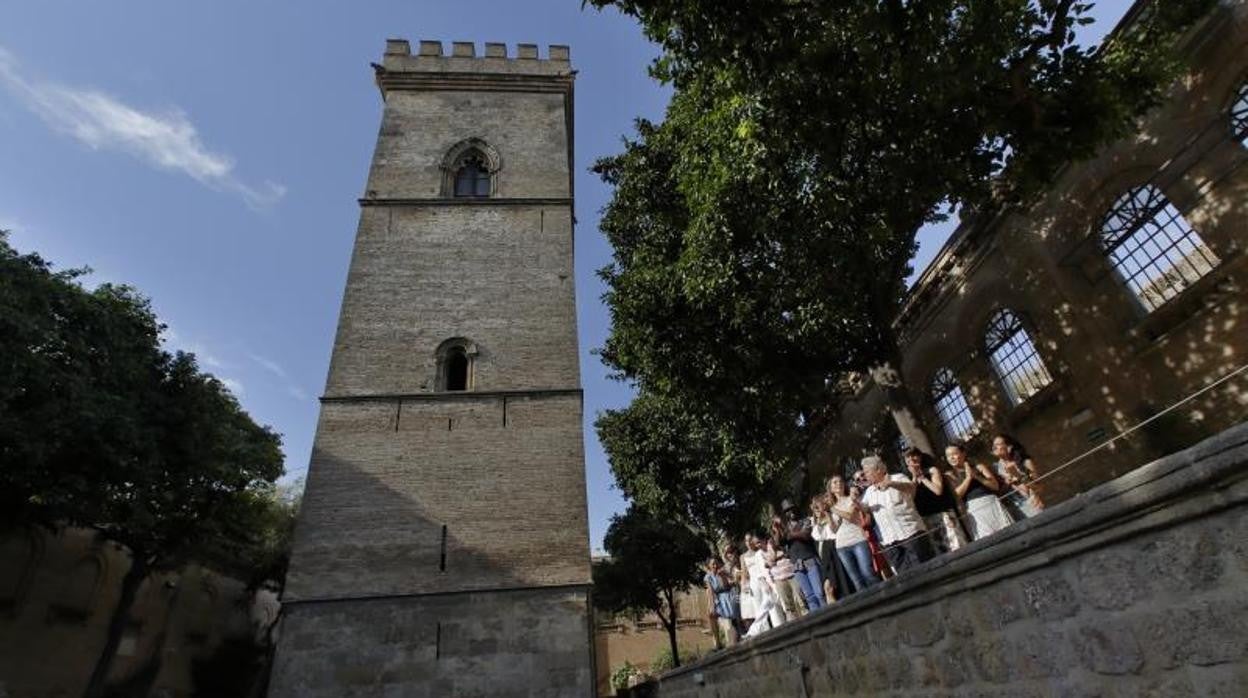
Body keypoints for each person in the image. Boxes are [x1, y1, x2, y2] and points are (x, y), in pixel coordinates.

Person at [860, 455, 934, 573]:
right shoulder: (869, 491)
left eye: (867, 472)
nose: (865, 475)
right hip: (891, 542)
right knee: (905, 579)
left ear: (878, 469)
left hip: (911, 534)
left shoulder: (898, 477)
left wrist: (891, 484)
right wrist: (855, 502)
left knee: (925, 571)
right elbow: (865, 508)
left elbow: (911, 488)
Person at [904, 447, 968, 554]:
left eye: (914, 455)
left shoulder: (932, 470)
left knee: (956, 545)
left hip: (943, 513)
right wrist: (915, 477)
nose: (911, 459)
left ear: (920, 457)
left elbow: (938, 490)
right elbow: (911, 497)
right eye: (908, 457)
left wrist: (922, 478)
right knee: (940, 550)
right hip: (927, 517)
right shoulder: (908, 477)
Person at [825, 474, 881, 593]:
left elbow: (850, 516)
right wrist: (828, 514)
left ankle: (883, 596)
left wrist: (833, 510)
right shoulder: (832, 506)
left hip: (858, 540)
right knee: (856, 580)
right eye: (835, 482)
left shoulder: (851, 498)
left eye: (840, 481)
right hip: (841, 545)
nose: (838, 484)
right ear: (830, 488)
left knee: (868, 573)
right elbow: (834, 529)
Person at [948, 441, 1015, 540]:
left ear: (963, 453)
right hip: (974, 510)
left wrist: (977, 476)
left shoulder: (978, 467)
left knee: (1009, 534)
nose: (951, 458)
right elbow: (956, 496)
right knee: (988, 540)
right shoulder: (950, 475)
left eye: (954, 454)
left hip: (990, 503)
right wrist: (968, 478)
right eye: (948, 456)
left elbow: (995, 486)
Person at [777, 500, 826, 612]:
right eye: (787, 511)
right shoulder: (785, 528)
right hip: (796, 563)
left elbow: (805, 535)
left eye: (792, 508)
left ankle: (828, 615)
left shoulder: (805, 521)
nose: (791, 512)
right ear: (785, 514)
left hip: (809, 559)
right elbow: (780, 542)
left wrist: (790, 535)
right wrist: (778, 528)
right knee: (809, 596)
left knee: (819, 592)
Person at [991, 433, 1045, 518]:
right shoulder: (995, 469)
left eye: (998, 444)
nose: (994, 447)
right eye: (993, 445)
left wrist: (1017, 475)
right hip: (1012, 513)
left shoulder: (1025, 462)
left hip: (1031, 507)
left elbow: (1039, 487)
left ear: (1009, 447)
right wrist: (1006, 484)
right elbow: (997, 493)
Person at [741, 532, 783, 636]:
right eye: (747, 540)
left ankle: (778, 626)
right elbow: (744, 572)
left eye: (750, 539)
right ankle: (764, 631)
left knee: (770, 604)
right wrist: (744, 585)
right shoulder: (743, 556)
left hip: (765, 578)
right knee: (759, 606)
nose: (749, 542)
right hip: (754, 582)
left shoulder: (760, 551)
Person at [764, 521, 804, 621]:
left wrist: (779, 556)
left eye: (777, 526)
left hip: (793, 573)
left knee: (801, 600)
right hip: (779, 577)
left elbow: (788, 553)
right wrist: (779, 555)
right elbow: (771, 560)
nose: (776, 529)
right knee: (789, 606)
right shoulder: (770, 543)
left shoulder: (788, 537)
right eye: (773, 528)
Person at [703, 556, 740, 648]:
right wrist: (712, 606)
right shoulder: (708, 577)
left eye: (716, 563)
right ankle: (717, 641)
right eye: (713, 564)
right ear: (709, 566)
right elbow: (711, 591)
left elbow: (727, 585)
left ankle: (738, 633)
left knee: (733, 617)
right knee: (711, 614)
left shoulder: (723, 572)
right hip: (719, 598)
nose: (715, 565)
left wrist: (722, 576)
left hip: (729, 594)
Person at [809, 495, 839, 603]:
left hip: (832, 552)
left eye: (818, 505)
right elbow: (816, 537)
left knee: (831, 588)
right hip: (823, 556)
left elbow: (833, 531)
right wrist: (816, 520)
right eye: (813, 506)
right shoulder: (815, 522)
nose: (815, 508)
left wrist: (827, 514)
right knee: (827, 589)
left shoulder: (831, 516)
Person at [722, 544, 749, 635]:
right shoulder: (727, 567)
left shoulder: (742, 560)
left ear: (735, 552)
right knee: (736, 609)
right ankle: (742, 632)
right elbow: (728, 583)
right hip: (736, 590)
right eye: (727, 553)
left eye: (731, 552)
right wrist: (732, 580)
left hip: (747, 588)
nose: (729, 555)